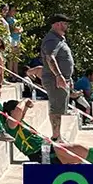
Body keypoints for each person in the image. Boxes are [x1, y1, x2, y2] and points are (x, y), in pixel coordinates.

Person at [1, 98, 93, 164]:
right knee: (77, 149)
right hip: (40, 154)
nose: (23, 113)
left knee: (79, 151)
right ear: (10, 112)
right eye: (21, 110)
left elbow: (19, 112)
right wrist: (24, 101)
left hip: (46, 148)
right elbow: (18, 112)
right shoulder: (10, 126)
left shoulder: (18, 124)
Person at [40, 13, 76, 142]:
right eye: (65, 23)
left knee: (59, 107)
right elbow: (50, 58)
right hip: (54, 79)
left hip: (61, 79)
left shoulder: (59, 39)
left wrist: (68, 78)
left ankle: (58, 135)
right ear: (57, 24)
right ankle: (56, 136)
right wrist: (59, 76)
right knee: (56, 108)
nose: (67, 26)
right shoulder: (51, 39)